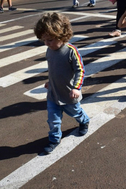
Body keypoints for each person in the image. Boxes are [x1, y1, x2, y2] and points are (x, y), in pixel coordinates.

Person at [34, 13, 90, 154]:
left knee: (76, 113)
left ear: (62, 35)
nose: (47, 43)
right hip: (53, 94)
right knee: (53, 120)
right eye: (44, 40)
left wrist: (76, 88)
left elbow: (80, 70)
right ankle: (54, 139)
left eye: (50, 40)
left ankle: (84, 121)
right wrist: (50, 82)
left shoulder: (71, 51)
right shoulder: (49, 50)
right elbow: (53, 70)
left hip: (69, 95)